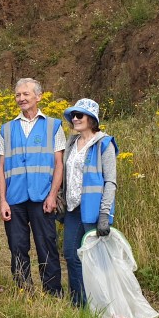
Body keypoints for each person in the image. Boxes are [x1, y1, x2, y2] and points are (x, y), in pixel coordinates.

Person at [0, 78, 66, 295]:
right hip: (15, 198)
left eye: (26, 94)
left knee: (47, 245)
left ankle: (52, 292)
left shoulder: (54, 126)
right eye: (18, 95)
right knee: (17, 246)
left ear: (38, 96)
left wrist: (53, 195)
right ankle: (24, 291)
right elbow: (1, 168)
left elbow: (58, 164)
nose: (21, 99)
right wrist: (3, 200)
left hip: (42, 196)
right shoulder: (6, 129)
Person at [61, 98, 118, 307]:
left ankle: (106, 306)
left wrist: (105, 214)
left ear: (92, 119)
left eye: (80, 115)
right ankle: (80, 304)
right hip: (73, 208)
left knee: (97, 261)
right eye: (73, 115)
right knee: (71, 254)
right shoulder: (71, 142)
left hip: (94, 212)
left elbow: (110, 181)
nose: (75, 119)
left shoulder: (104, 143)